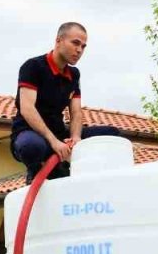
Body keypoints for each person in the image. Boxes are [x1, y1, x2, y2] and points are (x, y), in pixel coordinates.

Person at [11, 21, 120, 183]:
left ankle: (68, 168)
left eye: (83, 46)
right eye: (75, 43)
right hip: (31, 134)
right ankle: (36, 169)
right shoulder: (33, 67)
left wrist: (75, 138)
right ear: (58, 40)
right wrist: (54, 142)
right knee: (31, 147)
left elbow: (76, 112)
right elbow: (27, 109)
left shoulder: (74, 74)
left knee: (112, 134)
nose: (79, 50)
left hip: (60, 135)